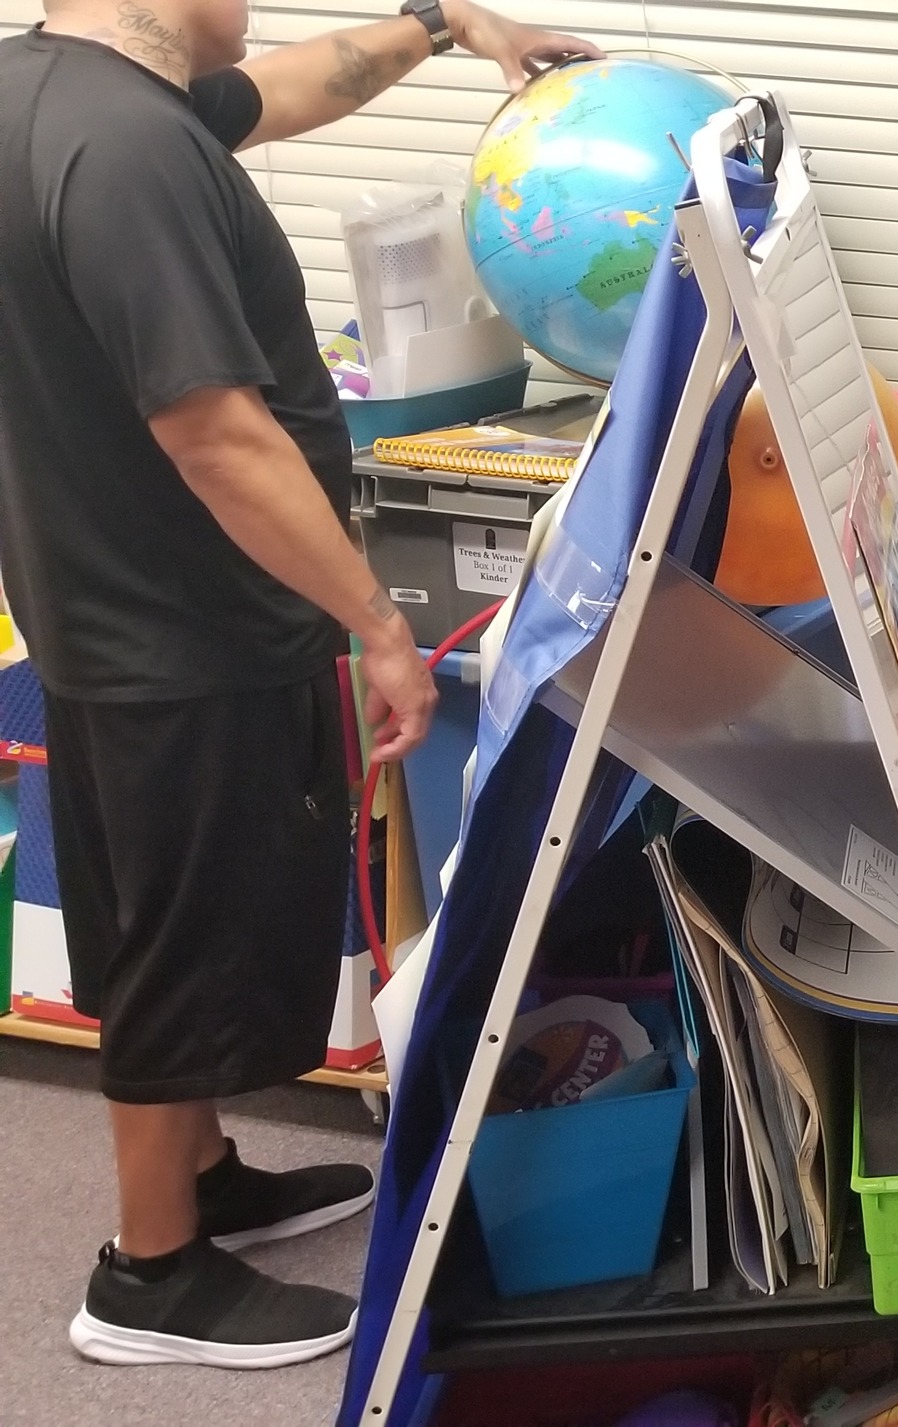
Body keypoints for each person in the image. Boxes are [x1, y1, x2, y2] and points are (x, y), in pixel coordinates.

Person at [0, 0, 595, 1370]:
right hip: (182, 631)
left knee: (167, 911)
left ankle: (203, 1179)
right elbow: (214, 431)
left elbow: (284, 89)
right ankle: (149, 1272)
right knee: (178, 938)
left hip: (106, 608)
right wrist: (375, 622)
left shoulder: (68, 101)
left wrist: (446, 29)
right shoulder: (129, 152)